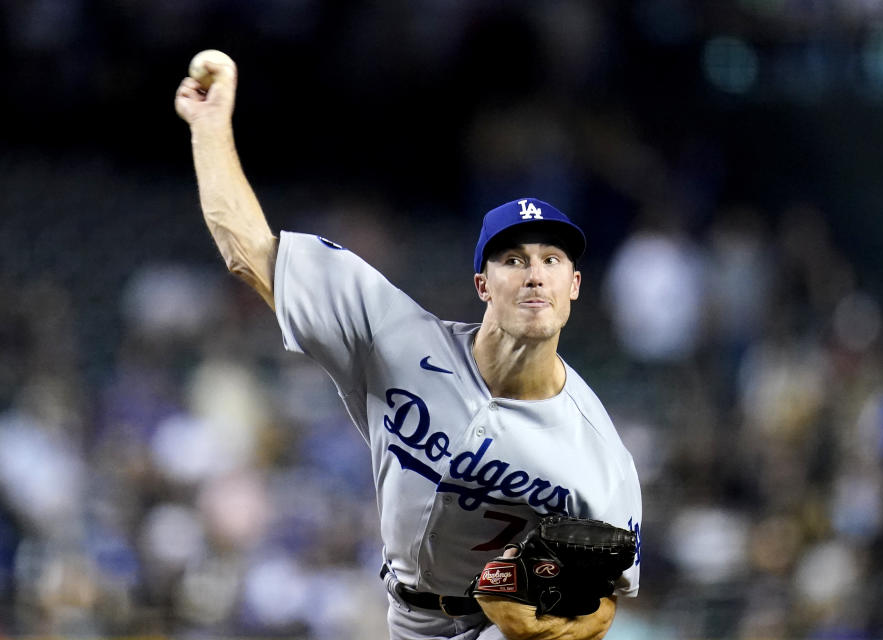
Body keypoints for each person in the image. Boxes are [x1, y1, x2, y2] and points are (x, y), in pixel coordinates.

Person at [174, 52, 643, 640]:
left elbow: (605, 601)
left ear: (574, 287)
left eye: (552, 260)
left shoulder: (599, 456)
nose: (534, 274)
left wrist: (546, 627)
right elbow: (250, 252)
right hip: (406, 618)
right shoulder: (394, 336)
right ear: (482, 284)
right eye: (513, 259)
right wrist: (210, 128)